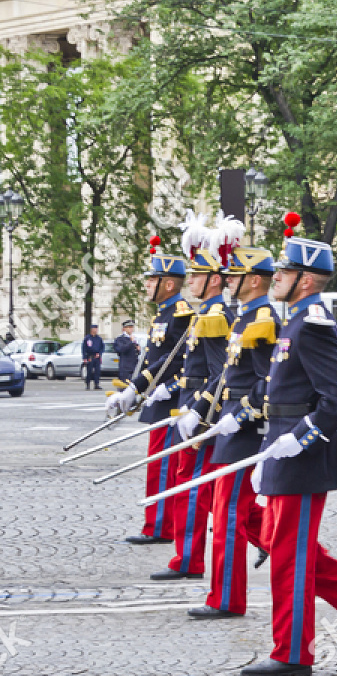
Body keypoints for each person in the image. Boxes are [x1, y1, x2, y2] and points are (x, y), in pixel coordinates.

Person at [241, 218, 337, 676]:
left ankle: (292, 653)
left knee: (289, 555)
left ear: (305, 279)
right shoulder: (294, 320)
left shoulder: (313, 322)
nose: (275, 278)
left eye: (283, 272)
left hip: (304, 457)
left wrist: (299, 439)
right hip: (283, 451)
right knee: (277, 541)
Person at [191, 243, 278, 618]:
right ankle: (272, 543)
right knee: (223, 505)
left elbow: (269, 380)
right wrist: (199, 411)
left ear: (254, 280)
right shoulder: (244, 317)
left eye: (234, 275)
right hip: (230, 424)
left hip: (245, 429)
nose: (226, 280)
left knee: (227, 512)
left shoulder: (262, 319)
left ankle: (227, 598)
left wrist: (240, 415)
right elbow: (227, 374)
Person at [152, 212, 236, 583]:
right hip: (193, 411)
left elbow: (221, 373)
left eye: (197, 276)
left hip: (204, 418)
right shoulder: (206, 312)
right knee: (200, 492)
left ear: (215, 279)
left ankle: (189, 559)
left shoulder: (216, 315)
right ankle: (189, 556)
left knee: (195, 491)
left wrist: (198, 410)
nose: (190, 282)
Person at [107, 238, 193, 545]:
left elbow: (186, 363)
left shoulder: (181, 314)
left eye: (152, 279)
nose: (146, 284)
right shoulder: (162, 314)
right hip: (158, 400)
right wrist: (135, 389)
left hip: (172, 401)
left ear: (169, 284)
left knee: (166, 466)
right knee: (157, 465)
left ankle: (160, 527)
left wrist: (165, 388)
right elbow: (154, 361)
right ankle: (156, 525)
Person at [81, 325, 104, 390]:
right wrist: (84, 357)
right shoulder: (87, 338)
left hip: (97, 357)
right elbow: (84, 348)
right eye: (94, 329)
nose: (96, 330)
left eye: (96, 329)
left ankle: (96, 384)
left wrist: (99, 354)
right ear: (91, 329)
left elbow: (102, 347)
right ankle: (87, 384)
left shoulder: (99, 338)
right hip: (90, 357)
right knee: (89, 371)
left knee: (97, 371)